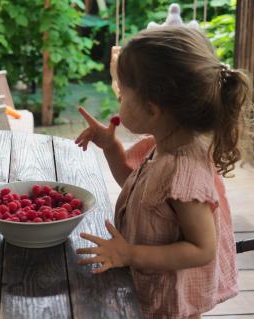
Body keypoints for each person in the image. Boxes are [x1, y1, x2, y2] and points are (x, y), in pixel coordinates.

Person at [74, 26, 253, 319]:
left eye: (123, 95)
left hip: (171, 300)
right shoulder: (162, 144)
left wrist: (128, 254)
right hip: (149, 282)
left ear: (152, 109)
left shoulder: (185, 172)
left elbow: (202, 249)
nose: (118, 100)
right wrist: (110, 147)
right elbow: (138, 191)